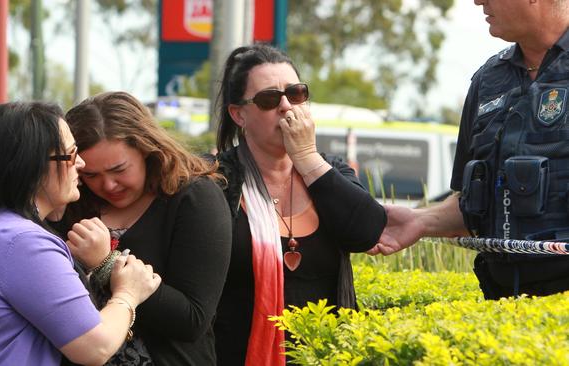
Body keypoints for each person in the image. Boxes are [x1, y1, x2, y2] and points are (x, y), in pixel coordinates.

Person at [0, 102, 161, 366]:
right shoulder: (21, 242)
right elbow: (96, 346)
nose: (80, 163)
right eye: (70, 155)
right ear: (32, 165)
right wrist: (127, 293)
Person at [373, 0, 569, 299]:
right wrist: (420, 220)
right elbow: (475, 203)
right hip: (502, 307)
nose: (478, 1)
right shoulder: (489, 79)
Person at [213, 44, 387, 365]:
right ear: (239, 114)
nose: (284, 106)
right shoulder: (215, 181)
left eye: (295, 94)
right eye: (268, 99)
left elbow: (367, 231)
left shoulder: (327, 171)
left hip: (327, 357)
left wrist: (306, 157)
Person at [58, 91, 232, 365]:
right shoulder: (72, 204)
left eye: (119, 169)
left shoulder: (194, 198)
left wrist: (106, 264)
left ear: (148, 149)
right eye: (90, 175)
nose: (108, 185)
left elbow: (193, 319)